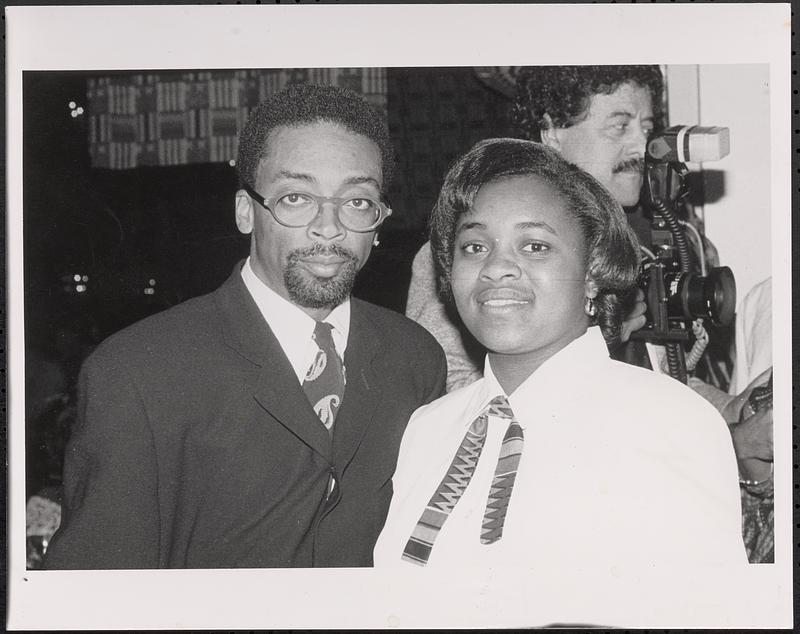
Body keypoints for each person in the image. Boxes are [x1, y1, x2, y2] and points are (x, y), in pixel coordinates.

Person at [43, 84, 447, 569]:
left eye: (357, 201)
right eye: (296, 197)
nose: (330, 227)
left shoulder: (415, 358)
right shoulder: (135, 371)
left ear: (379, 219)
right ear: (244, 211)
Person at [374, 138, 745, 569]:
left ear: (593, 274)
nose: (496, 267)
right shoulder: (427, 430)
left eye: (534, 246)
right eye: (474, 247)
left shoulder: (671, 422)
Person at [406, 65, 666, 391]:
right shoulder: (464, 253)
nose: (641, 148)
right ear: (551, 133)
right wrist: (597, 335)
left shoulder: (641, 245)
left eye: (646, 128)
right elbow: (444, 383)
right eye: (619, 127)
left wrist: (733, 409)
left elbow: (659, 376)